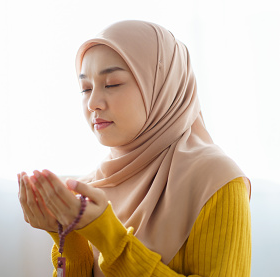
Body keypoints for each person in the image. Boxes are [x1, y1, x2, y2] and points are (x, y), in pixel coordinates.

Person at [17, 20, 251, 277]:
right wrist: (67, 234)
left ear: (162, 86)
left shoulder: (217, 181)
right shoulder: (91, 188)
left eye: (112, 83)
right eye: (85, 88)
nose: (93, 102)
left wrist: (109, 237)